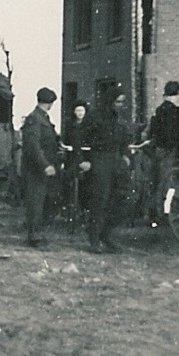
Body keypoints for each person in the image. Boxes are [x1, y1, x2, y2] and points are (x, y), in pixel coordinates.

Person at [80, 87, 132, 253]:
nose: (121, 105)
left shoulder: (120, 120)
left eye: (123, 102)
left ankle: (107, 235)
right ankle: (94, 239)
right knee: (99, 201)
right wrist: (82, 160)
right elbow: (79, 138)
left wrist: (125, 155)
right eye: (118, 102)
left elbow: (124, 141)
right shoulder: (95, 116)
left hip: (116, 162)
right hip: (99, 160)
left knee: (119, 200)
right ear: (110, 101)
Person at [20, 87, 61, 248]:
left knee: (44, 200)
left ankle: (37, 232)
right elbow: (33, 146)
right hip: (36, 168)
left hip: (44, 166)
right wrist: (45, 165)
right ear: (50, 103)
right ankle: (34, 236)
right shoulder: (34, 119)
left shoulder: (42, 117)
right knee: (35, 202)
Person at [146, 81, 179, 222]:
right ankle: (163, 214)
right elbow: (172, 134)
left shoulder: (159, 109)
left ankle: (155, 213)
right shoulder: (173, 110)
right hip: (169, 151)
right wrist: (178, 146)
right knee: (167, 182)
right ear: (176, 94)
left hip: (159, 149)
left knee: (158, 181)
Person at [59, 100, 91, 224]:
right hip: (72, 157)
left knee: (87, 183)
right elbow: (66, 140)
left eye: (82, 111)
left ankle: (84, 210)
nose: (80, 113)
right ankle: (69, 208)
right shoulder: (70, 125)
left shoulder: (89, 125)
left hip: (85, 156)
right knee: (69, 180)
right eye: (77, 111)